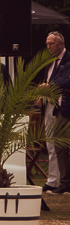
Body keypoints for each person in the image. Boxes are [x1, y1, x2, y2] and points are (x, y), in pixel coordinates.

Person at [38, 32, 70, 194]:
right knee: (51, 144)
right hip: (50, 105)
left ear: (61, 44)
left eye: (52, 44)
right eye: (47, 43)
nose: (49, 47)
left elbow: (66, 81)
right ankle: (53, 179)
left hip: (64, 108)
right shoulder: (48, 62)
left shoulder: (68, 60)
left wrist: (50, 86)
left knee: (61, 145)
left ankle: (63, 182)